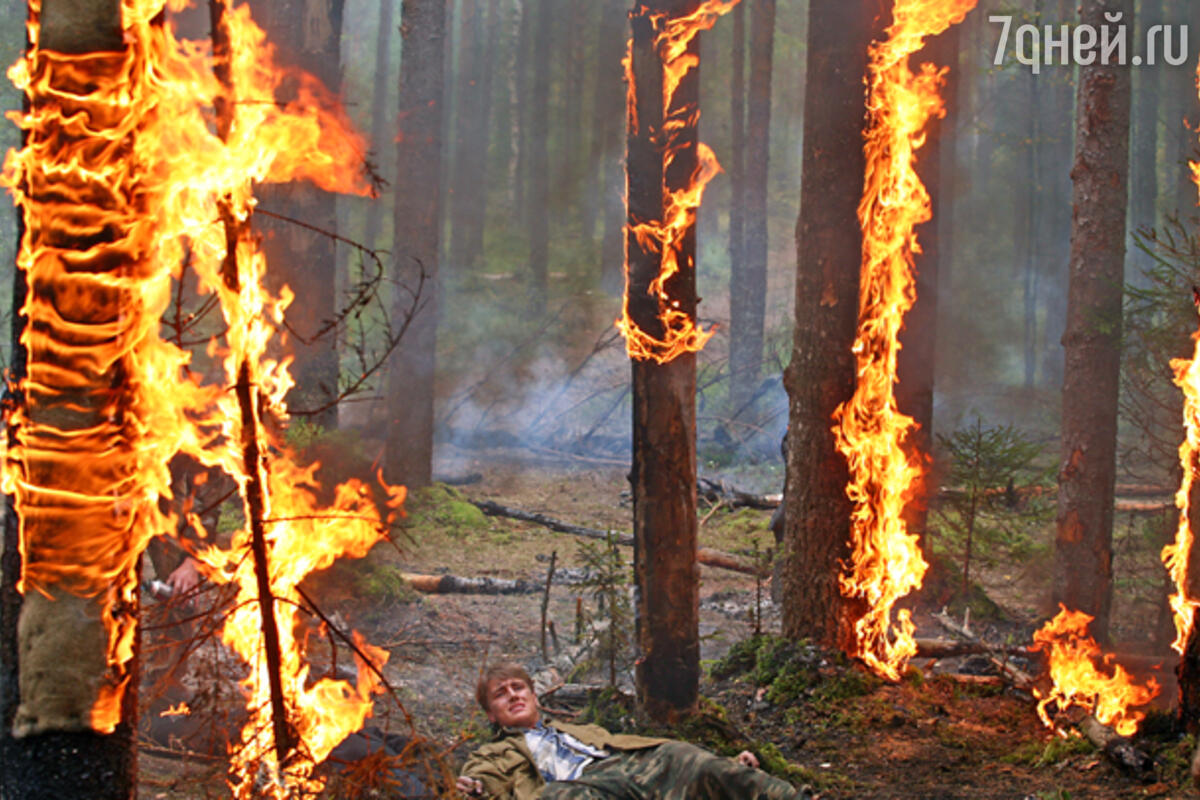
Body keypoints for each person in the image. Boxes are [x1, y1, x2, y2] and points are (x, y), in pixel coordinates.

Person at [457, 662, 811, 799]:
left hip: (628, 766)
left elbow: (632, 748)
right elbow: (478, 782)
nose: (513, 696)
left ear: (535, 696)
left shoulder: (581, 729)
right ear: (492, 715)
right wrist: (474, 790)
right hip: (579, 788)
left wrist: (727, 760)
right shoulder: (491, 754)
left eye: (518, 688)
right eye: (501, 694)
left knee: (687, 758)